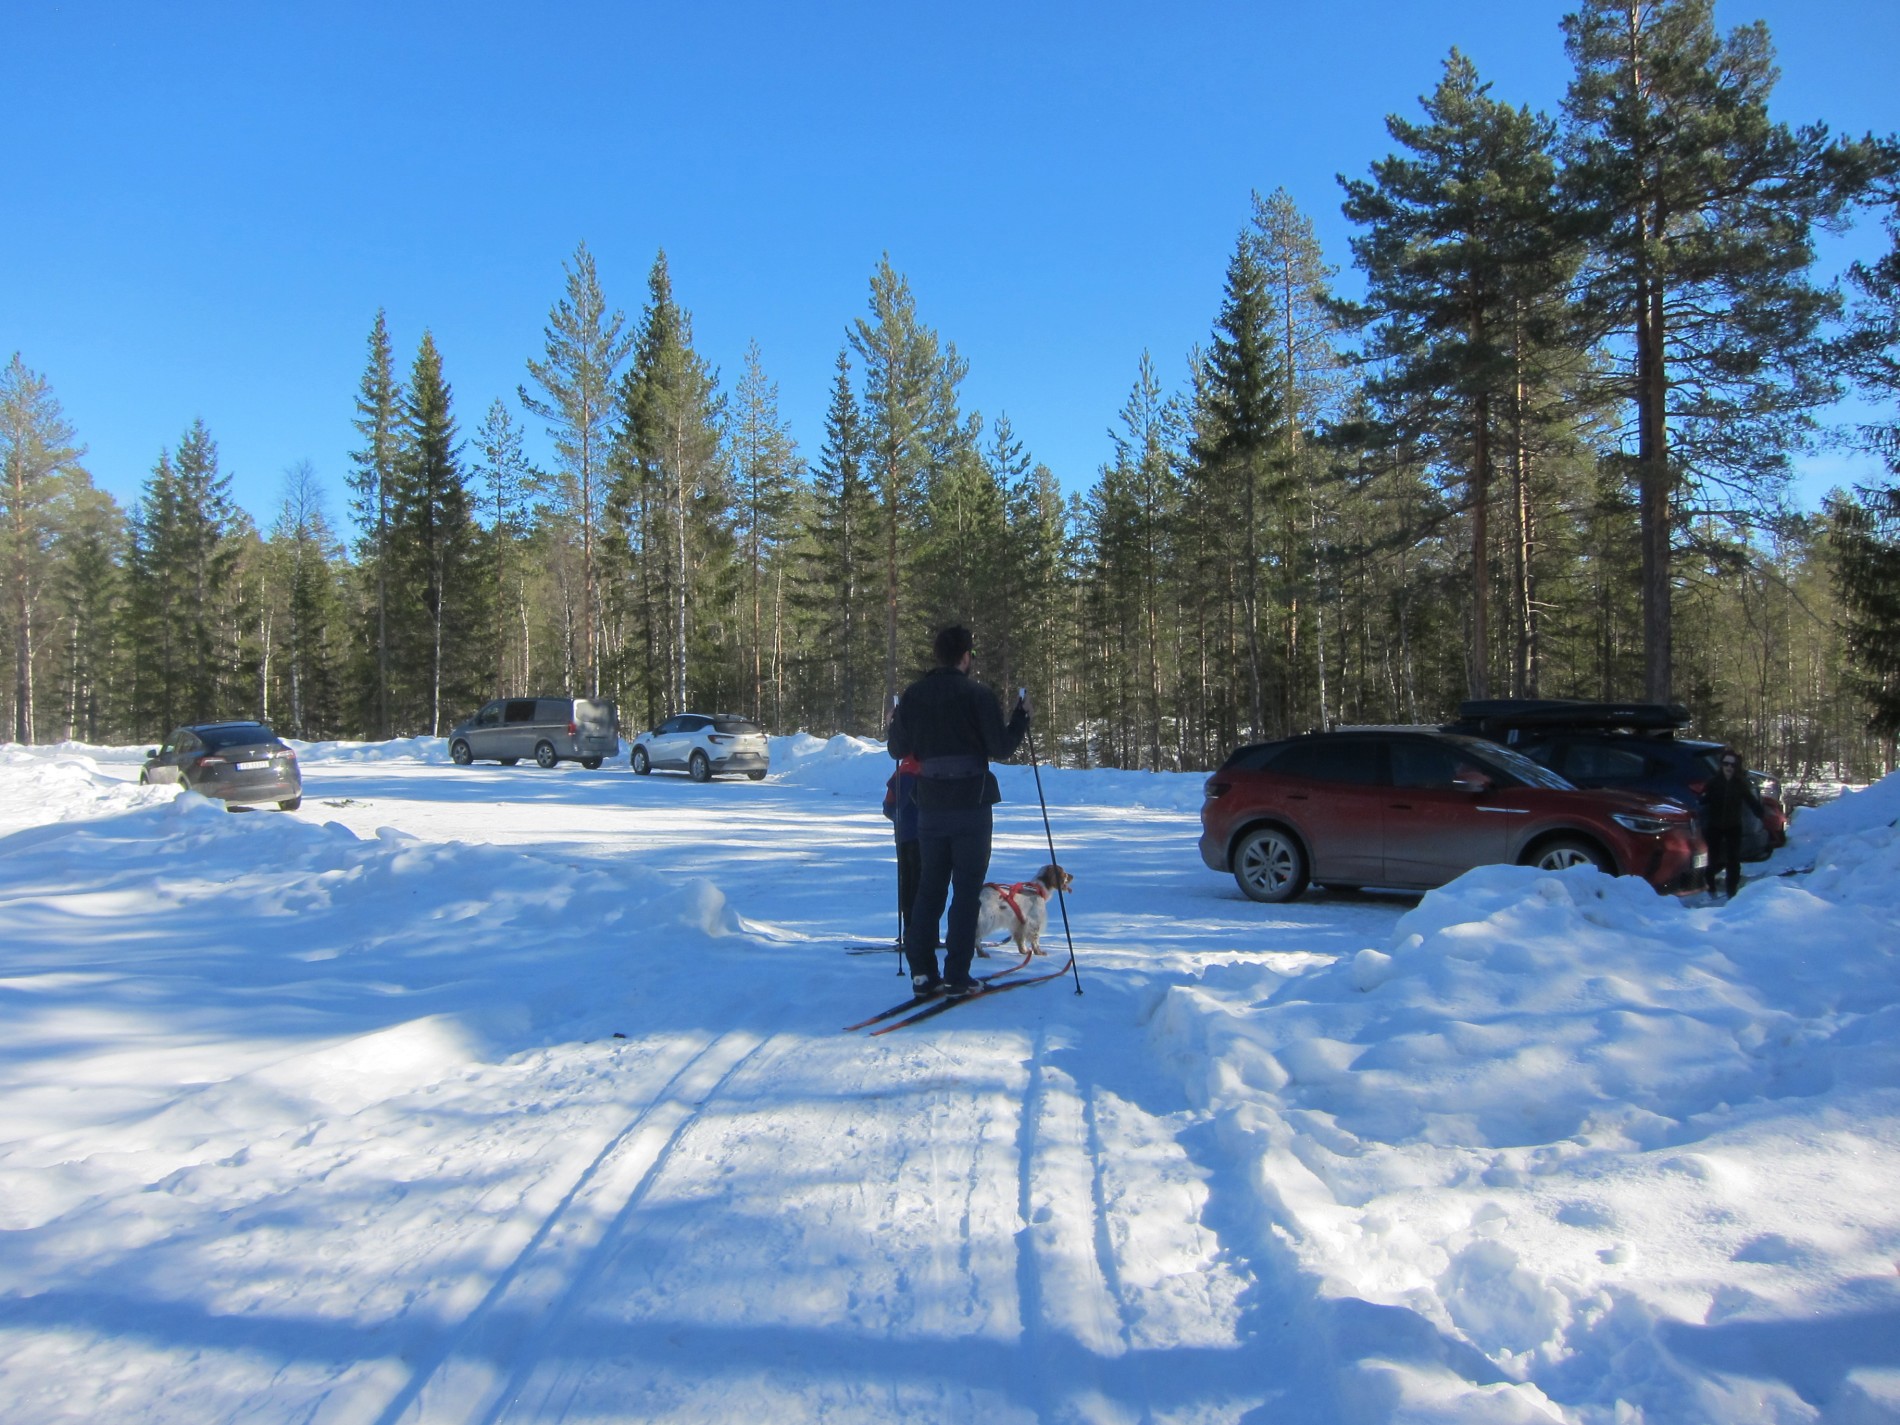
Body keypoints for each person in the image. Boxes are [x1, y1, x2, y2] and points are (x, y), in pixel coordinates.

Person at [887, 625, 1029, 997]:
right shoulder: (978, 694)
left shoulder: (914, 695)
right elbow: (1000, 747)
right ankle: (957, 974)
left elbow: (897, 750)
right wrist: (1021, 718)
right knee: (965, 893)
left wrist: (895, 721)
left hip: (931, 805)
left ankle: (922, 973)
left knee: (930, 887)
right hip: (971, 805)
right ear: (965, 657)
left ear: (938, 656)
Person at [881, 751, 930, 953]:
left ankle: (910, 932)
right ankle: (923, 934)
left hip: (903, 836)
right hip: (926, 836)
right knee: (925, 886)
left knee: (908, 884)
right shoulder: (929, 768)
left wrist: (899, 819)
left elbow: (887, 806)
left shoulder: (901, 771)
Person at [1702, 748, 1764, 900]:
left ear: (1736, 767)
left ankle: (1731, 890)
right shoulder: (1714, 782)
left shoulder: (1739, 784)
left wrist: (1760, 812)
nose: (1729, 767)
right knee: (1712, 858)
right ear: (1721, 765)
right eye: (1725, 764)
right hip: (1715, 826)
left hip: (1733, 826)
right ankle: (1710, 886)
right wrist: (1701, 800)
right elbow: (1704, 798)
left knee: (1733, 860)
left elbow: (1750, 800)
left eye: (1732, 765)